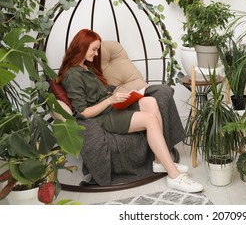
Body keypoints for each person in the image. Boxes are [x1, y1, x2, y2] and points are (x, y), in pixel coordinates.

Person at [57, 29, 203, 193]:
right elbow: (83, 112)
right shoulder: (72, 75)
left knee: (150, 101)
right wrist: (110, 101)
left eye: (97, 49)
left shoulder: (86, 67)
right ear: (81, 47)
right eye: (94, 49)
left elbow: (101, 91)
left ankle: (158, 162)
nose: (97, 54)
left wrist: (119, 95)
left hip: (111, 106)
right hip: (102, 116)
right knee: (150, 120)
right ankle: (174, 176)